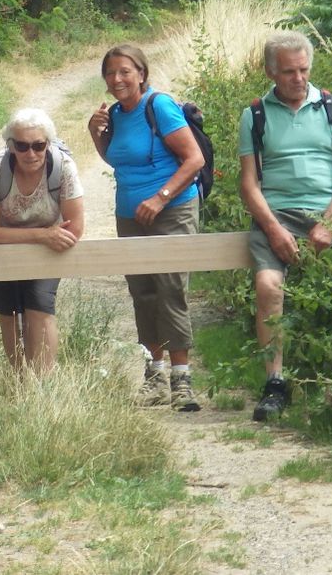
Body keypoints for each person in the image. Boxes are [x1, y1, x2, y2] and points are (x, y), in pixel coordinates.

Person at [238, 30, 332, 422]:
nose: (298, 78)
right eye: (289, 72)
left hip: (327, 211)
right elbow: (249, 183)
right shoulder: (255, 114)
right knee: (268, 284)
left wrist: (329, 223)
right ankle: (275, 383)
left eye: (304, 69)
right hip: (278, 213)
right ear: (271, 72)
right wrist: (273, 228)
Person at [88, 44, 205, 412]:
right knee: (143, 292)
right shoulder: (116, 114)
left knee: (171, 287)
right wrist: (96, 135)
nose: (117, 79)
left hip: (172, 209)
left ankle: (182, 381)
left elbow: (194, 159)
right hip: (130, 214)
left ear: (141, 73)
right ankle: (154, 376)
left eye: (125, 71)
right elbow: (119, 157)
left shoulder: (160, 106)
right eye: (111, 73)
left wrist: (160, 197)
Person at [0, 108, 84, 375]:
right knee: (8, 311)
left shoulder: (64, 167)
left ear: (48, 144)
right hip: (2, 244)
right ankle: (21, 380)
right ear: (10, 146)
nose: (30, 153)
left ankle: (41, 386)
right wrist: (41, 235)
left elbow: (75, 227)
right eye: (21, 146)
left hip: (49, 244)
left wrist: (47, 237)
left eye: (38, 145)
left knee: (39, 304)